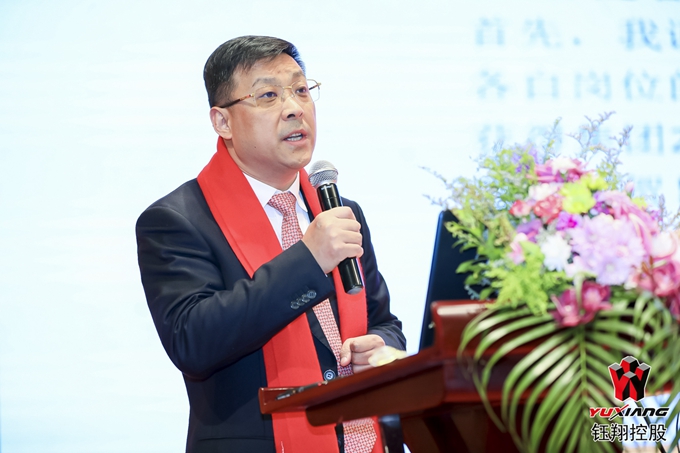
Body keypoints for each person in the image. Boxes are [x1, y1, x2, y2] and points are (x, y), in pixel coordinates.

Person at [135, 35, 406, 453]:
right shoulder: (177, 221)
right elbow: (193, 342)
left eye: (301, 90)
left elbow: (384, 321)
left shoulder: (338, 211)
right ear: (222, 122)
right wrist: (308, 260)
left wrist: (382, 347)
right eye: (268, 95)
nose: (295, 107)